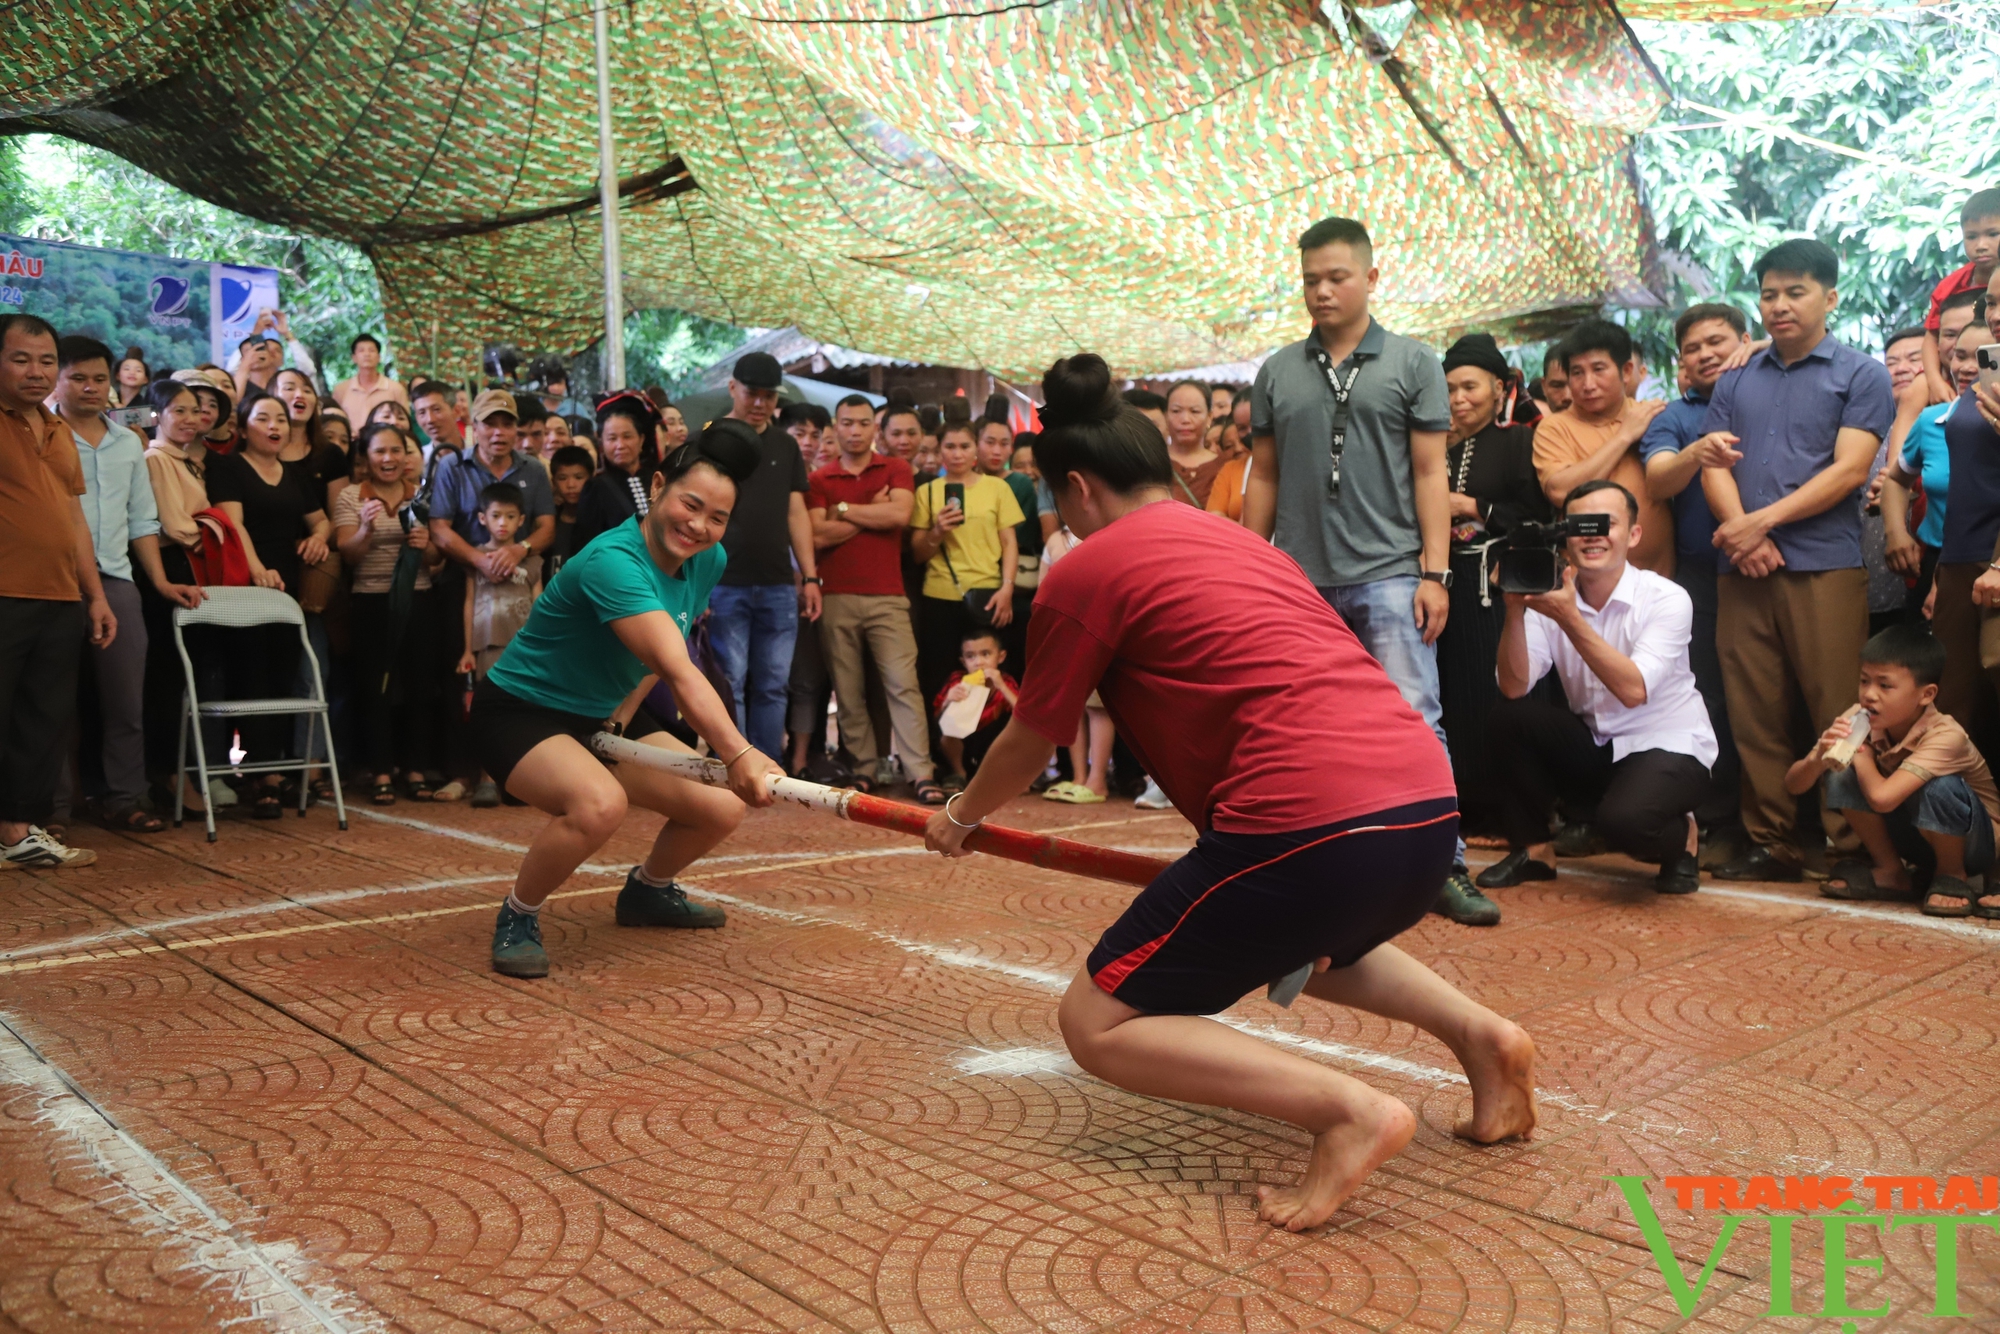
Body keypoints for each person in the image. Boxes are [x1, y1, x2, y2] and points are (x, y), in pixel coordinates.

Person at [924, 352, 1535, 1233]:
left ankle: (1348, 1113)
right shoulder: (1246, 545)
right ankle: (1486, 1038)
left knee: (1096, 1019)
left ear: (1079, 487)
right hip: (1422, 806)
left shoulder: (1085, 572)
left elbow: (1033, 735)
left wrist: (959, 815)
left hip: (1310, 823)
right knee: (1291, 942)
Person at [1242, 216, 1492, 925]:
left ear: (1371, 277)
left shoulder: (1414, 362)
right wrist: (1249, 568)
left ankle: (1444, 867)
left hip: (1390, 573)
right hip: (1295, 580)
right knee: (1300, 726)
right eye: (1310, 280)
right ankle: (1317, 865)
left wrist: (1434, 574)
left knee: (1415, 720)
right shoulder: (1277, 370)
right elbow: (1264, 476)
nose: (1322, 291)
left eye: (1336, 277)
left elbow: (1428, 471)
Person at [470, 429, 782, 978]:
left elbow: (663, 649)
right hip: (519, 711)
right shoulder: (613, 561)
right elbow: (678, 669)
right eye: (690, 504)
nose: (699, 526)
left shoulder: (708, 560)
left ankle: (648, 893)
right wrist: (739, 753)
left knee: (720, 806)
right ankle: (518, 915)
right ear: (658, 486)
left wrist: (616, 717)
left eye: (717, 517)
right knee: (599, 804)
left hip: (603, 711)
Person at [1700, 238, 1894, 882]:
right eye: (1768, 293)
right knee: (1753, 710)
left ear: (1830, 298)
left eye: (1795, 292)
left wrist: (1759, 523)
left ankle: (1850, 844)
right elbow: (1714, 465)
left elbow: (1849, 472)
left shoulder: (1859, 373)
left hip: (1824, 565)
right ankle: (1772, 841)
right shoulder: (1734, 377)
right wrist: (1740, 531)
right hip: (1743, 569)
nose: (1778, 305)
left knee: (1839, 708)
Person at [1481, 480, 1715, 896]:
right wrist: (1515, 611)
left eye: (1604, 524)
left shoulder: (1666, 598)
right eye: (1579, 525)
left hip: (1668, 745)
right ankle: (1535, 852)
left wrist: (1570, 618)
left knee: (1625, 824)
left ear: (1633, 535)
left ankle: (1685, 838)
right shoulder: (1549, 591)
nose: (1592, 535)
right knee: (1509, 718)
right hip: (1597, 742)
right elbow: (1515, 687)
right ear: (1563, 536)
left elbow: (1633, 690)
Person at [49, 337, 205, 836]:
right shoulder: (38, 435)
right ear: (58, 380)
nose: (91, 387)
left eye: (100, 378)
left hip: (116, 581)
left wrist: (158, 582)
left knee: (125, 701)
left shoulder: (128, 443)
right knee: (48, 704)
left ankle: (124, 798)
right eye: (78, 377)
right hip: (48, 583)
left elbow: (142, 521)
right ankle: (45, 810)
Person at [1639, 303, 1754, 861]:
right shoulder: (1677, 417)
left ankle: (1791, 825)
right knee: (1711, 702)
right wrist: (1696, 451)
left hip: (1784, 564)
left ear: (1746, 340)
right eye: (1693, 347)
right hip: (1701, 579)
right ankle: (1719, 820)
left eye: (1719, 341)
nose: (1707, 353)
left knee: (1772, 703)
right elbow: (1658, 479)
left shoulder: (1767, 390)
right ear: (1681, 362)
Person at [0, 315, 115, 868]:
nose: (36, 371)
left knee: (42, 720)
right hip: (4, 593)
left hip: (59, 598)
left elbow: (74, 519)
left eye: (46, 361)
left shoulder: (55, 429)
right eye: (21, 359)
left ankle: (16, 831)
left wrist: (94, 595)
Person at [1789, 623, 2000, 917]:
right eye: (1864, 681)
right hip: (1917, 834)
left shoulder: (1946, 735)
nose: (1869, 695)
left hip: (1978, 846)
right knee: (1840, 772)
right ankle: (1891, 871)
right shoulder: (1859, 716)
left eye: (1884, 685)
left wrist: (1858, 755)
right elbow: (1794, 784)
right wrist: (1818, 759)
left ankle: (1952, 876)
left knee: (1939, 787)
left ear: (1926, 695)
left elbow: (1883, 799)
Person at [1434, 333, 1551, 841]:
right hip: (1445, 586)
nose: (1459, 399)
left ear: (1500, 388)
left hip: (1496, 587)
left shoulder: (1519, 442)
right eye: (1450, 390)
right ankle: (1468, 807)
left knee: (1497, 693)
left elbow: (1537, 517)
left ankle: (1513, 811)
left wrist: (1474, 507)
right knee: (1452, 696)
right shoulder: (1430, 447)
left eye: (1470, 387)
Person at [808, 394, 943, 802]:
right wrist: (869, 510)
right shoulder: (819, 479)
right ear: (836, 427)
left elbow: (899, 517)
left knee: (904, 687)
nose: (855, 431)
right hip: (835, 595)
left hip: (889, 595)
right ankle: (863, 770)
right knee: (847, 691)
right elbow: (817, 535)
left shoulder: (897, 468)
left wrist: (843, 509)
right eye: (847, 423)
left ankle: (920, 772)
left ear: (874, 429)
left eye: (863, 423)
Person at [204, 391, 332, 817]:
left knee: (281, 678)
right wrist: (257, 569)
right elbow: (232, 523)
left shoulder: (293, 473)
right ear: (242, 428)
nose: (275, 426)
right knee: (250, 677)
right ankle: (260, 776)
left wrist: (318, 538)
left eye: (281, 419)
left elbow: (321, 519)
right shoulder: (228, 467)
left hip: (288, 588)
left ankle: (272, 770)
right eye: (263, 418)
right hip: (244, 583)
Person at [429, 388, 557, 800]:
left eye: (506, 423)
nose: (498, 432)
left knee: (518, 685)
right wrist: (479, 560)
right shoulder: (453, 466)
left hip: (519, 587)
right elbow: (440, 527)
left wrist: (520, 549)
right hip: (466, 587)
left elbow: (546, 526)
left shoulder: (533, 469)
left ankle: (514, 774)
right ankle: (461, 773)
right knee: (461, 681)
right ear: (475, 427)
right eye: (490, 423)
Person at [696, 352, 823, 762]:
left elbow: (795, 511)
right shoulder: (709, 440)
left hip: (778, 584)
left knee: (773, 682)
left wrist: (810, 576)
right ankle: (736, 762)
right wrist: (694, 584)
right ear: (733, 387)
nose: (759, 403)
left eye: (769, 396)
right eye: (752, 393)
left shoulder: (785, 445)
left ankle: (766, 767)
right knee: (729, 679)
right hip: (722, 581)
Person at [334, 422, 443, 803]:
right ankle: (380, 770)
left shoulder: (424, 496)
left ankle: (415, 768)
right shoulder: (351, 496)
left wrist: (427, 545)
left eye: (396, 451)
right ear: (365, 458)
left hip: (419, 598)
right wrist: (365, 528)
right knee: (374, 687)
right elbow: (348, 554)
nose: (389, 459)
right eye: (379, 452)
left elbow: (437, 561)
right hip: (371, 599)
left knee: (419, 685)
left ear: (407, 456)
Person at [910, 420, 1023, 782]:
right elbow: (917, 553)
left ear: (976, 450)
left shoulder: (997, 489)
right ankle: (949, 765)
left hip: (988, 596)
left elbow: (1009, 542)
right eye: (949, 447)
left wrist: (1007, 588)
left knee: (993, 679)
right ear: (938, 450)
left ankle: (991, 761)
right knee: (943, 679)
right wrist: (937, 531)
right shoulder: (928, 492)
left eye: (964, 446)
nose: (957, 454)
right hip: (939, 595)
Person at [141, 377, 234, 817]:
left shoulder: (187, 460)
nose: (189, 419)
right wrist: (214, 537)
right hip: (171, 569)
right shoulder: (156, 459)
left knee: (185, 679)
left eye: (194, 411)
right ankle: (166, 776)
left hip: (190, 566)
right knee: (166, 679)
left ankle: (176, 774)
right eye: (178, 410)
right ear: (156, 415)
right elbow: (174, 524)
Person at [1532, 320, 1670, 576]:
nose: (1588, 384)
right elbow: (1561, 491)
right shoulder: (1555, 428)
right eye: (1577, 373)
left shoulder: (1652, 414)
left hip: (1659, 579)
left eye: (1598, 369)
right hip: (1585, 583)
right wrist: (1623, 437)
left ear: (1626, 370)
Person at [1882, 292, 1986, 620]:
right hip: (1934, 560)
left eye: (1982, 358)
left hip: (1988, 563)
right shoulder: (1931, 420)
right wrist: (1895, 531)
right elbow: (1897, 480)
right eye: (1959, 355)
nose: (1967, 368)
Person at [457, 482, 544, 807]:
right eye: (496, 515)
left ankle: (519, 781)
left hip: (523, 646)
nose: (503, 523)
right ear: (483, 518)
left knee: (523, 713)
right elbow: (469, 603)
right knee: (488, 711)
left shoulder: (533, 562)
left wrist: (541, 647)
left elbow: (540, 604)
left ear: (522, 520)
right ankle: (487, 779)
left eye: (510, 516)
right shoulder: (476, 558)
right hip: (487, 646)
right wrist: (467, 649)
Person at [1921, 188, 2000, 404]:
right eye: (1972, 237)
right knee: (1915, 392)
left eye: (1993, 234)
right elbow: (1930, 337)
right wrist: (1934, 380)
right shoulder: (1950, 285)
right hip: (1958, 374)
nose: (1981, 245)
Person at [573, 392, 659, 552]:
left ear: (641, 439)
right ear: (602, 444)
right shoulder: (595, 488)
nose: (620, 445)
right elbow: (587, 544)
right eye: (612, 438)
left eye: (627, 436)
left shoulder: (657, 478)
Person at [933, 628, 1018, 784]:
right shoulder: (957, 681)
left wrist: (1001, 687)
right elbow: (936, 717)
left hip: (994, 741)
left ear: (1001, 657)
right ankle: (960, 773)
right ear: (963, 662)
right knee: (947, 734)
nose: (978, 662)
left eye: (985, 654)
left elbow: (1024, 715)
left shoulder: (1006, 682)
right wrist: (947, 700)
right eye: (970, 656)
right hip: (964, 743)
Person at [1162, 380, 1222, 507]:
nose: (1185, 420)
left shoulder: (1224, 466)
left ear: (1209, 417)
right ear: (1166, 416)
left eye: (1195, 411)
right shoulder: (1151, 463)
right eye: (1176, 411)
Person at [331, 333, 409, 428]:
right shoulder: (341, 390)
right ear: (354, 358)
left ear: (379, 357)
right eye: (361, 350)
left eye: (371, 350)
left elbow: (405, 423)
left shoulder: (396, 389)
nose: (367, 354)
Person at [547, 444, 594, 571]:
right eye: (562, 478)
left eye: (579, 477)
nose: (571, 485)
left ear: (591, 478)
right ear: (553, 482)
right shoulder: (550, 521)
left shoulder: (599, 521)